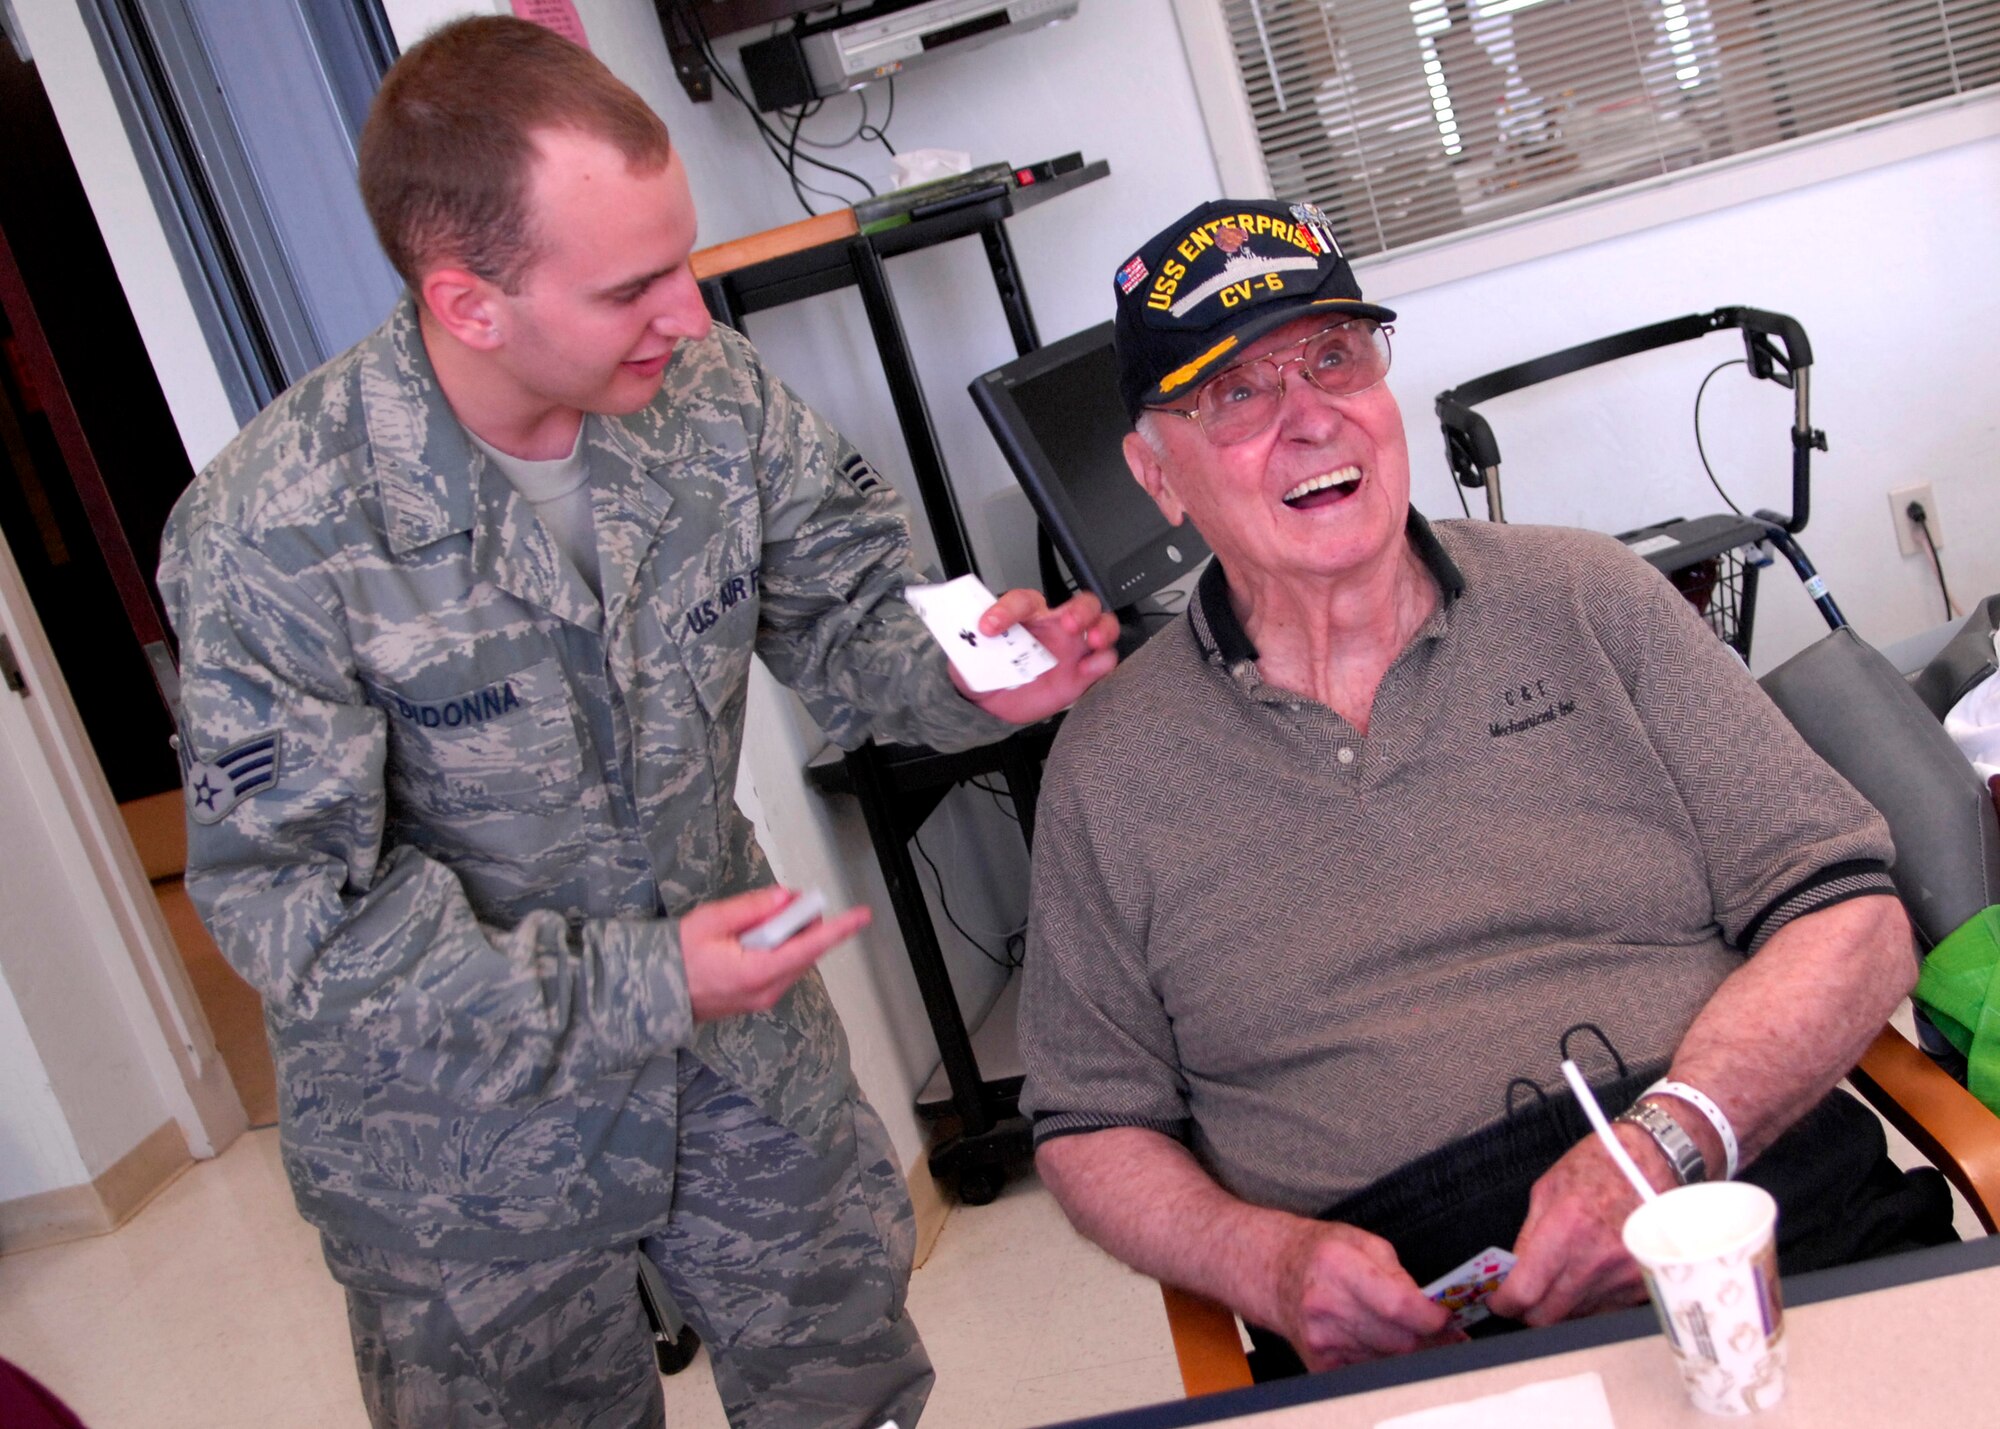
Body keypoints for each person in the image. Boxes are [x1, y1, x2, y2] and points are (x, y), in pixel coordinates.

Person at [157, 18, 1117, 1429]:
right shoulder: (272, 531)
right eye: (630, 288)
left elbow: (849, 612)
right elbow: (301, 914)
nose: (688, 314)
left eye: (681, 259)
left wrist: (971, 676)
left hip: (739, 1062)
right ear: (470, 303)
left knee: (852, 1394)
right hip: (462, 1145)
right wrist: (643, 983)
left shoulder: (711, 399)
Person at [1017, 198, 1955, 1379]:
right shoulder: (1109, 763)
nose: (1308, 417)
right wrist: (1265, 1264)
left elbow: (1851, 917)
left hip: (1735, 1193)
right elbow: (1091, 1121)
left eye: (1332, 356)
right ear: (1156, 475)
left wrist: (1668, 1140)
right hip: (1412, 1328)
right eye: (1235, 393)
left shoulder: (1587, 597)